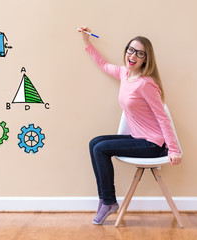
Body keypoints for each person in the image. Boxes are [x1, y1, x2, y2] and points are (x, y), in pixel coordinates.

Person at [77, 27, 182, 225]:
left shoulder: (146, 84)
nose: (133, 55)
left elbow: (162, 117)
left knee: (101, 149)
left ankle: (109, 202)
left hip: (153, 144)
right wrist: (87, 42)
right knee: (94, 143)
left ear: (146, 59)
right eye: (131, 50)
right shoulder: (125, 73)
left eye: (140, 53)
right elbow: (104, 65)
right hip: (138, 138)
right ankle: (105, 198)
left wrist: (174, 149)